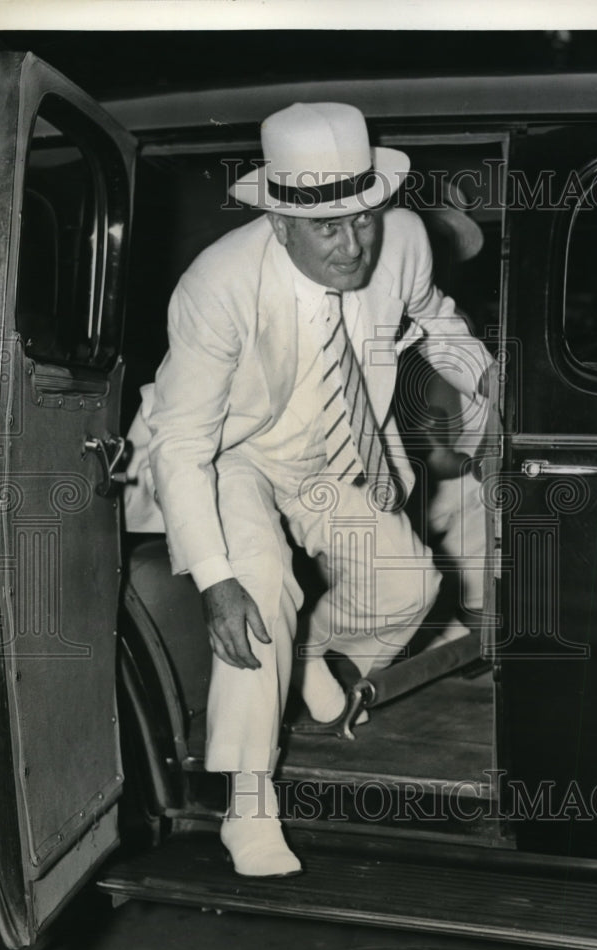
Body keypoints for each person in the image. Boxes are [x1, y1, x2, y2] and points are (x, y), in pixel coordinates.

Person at [124, 102, 493, 877]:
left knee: (407, 586)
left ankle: (312, 649)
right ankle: (247, 805)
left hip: (333, 451)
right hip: (234, 452)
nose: (352, 243)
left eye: (361, 217)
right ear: (279, 224)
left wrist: (479, 375)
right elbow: (187, 439)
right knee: (257, 594)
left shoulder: (402, 241)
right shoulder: (219, 282)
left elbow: (434, 319)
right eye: (326, 228)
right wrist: (216, 581)